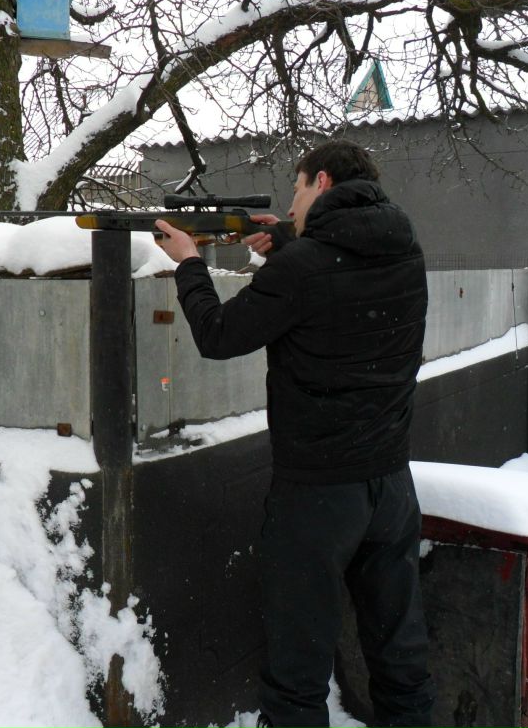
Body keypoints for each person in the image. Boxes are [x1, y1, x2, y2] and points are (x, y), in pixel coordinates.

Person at [155, 140, 435, 728]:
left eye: (297, 188)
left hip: (317, 497)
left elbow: (219, 334)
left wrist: (188, 263)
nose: (290, 204)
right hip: (390, 489)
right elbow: (343, 279)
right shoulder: (405, 251)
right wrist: (289, 240)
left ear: (323, 182)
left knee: (298, 672)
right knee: (399, 655)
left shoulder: (301, 269)